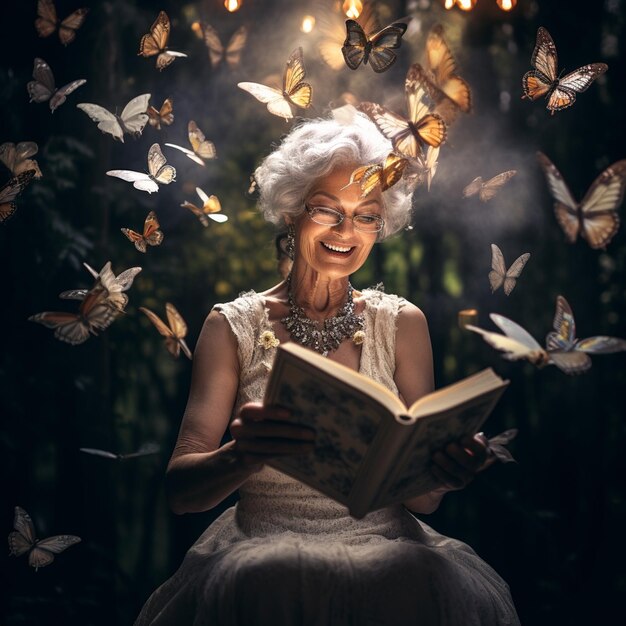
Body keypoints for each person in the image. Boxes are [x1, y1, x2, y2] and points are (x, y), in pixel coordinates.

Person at [135, 109, 520, 625]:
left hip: (387, 543)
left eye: (366, 215)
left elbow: (423, 502)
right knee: (266, 576)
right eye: (327, 209)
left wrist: (444, 474)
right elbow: (181, 494)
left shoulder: (402, 323)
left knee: (414, 576)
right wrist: (242, 455)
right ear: (292, 210)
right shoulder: (231, 326)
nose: (347, 230)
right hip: (262, 541)